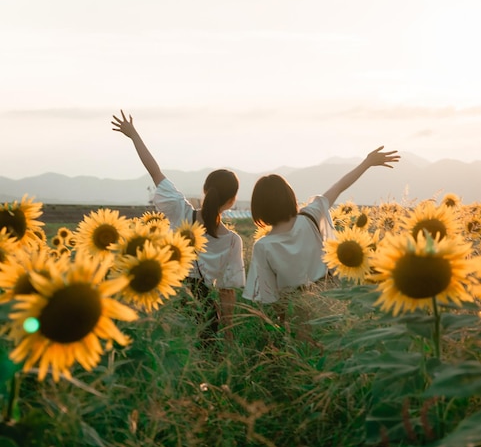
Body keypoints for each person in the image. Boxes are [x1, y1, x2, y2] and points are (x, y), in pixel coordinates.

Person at [111, 110, 245, 344]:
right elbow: (226, 293)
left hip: (166, 300)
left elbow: (155, 172)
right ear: (232, 200)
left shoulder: (180, 211)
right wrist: (230, 335)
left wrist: (134, 135)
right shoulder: (233, 241)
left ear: (205, 190)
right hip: (203, 314)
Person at [243, 146, 400, 306]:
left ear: (259, 208)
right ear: (290, 197)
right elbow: (338, 187)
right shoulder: (311, 215)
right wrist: (367, 163)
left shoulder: (262, 246)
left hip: (296, 308)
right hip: (331, 298)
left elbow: (268, 296)